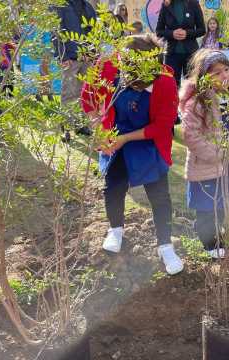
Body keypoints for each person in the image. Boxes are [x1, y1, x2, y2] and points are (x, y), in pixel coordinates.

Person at [80, 34, 183, 275]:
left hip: (147, 141)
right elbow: (87, 97)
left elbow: (162, 126)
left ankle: (165, 245)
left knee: (159, 195)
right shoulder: (108, 65)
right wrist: (100, 132)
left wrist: (125, 138)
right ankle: (115, 229)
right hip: (116, 135)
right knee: (113, 186)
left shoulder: (166, 82)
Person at [180, 49, 229, 258]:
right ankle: (210, 244)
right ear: (203, 76)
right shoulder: (197, 103)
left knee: (222, 203)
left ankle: (221, 231)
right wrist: (219, 154)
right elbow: (191, 136)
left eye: (226, 69)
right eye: (216, 72)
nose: (224, 75)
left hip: (225, 167)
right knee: (206, 210)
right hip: (205, 168)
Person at [53, 0, 97, 137]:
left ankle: (81, 125)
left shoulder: (88, 6)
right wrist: (62, 56)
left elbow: (94, 32)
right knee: (68, 93)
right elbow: (56, 32)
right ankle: (65, 128)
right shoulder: (61, 5)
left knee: (84, 94)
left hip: (87, 58)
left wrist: (93, 53)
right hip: (69, 58)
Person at [155, 0, 206, 86]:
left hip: (191, 55)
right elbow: (159, 31)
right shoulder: (166, 5)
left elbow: (202, 30)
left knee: (191, 87)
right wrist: (172, 34)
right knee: (171, 86)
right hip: (172, 55)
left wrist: (187, 33)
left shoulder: (194, 3)